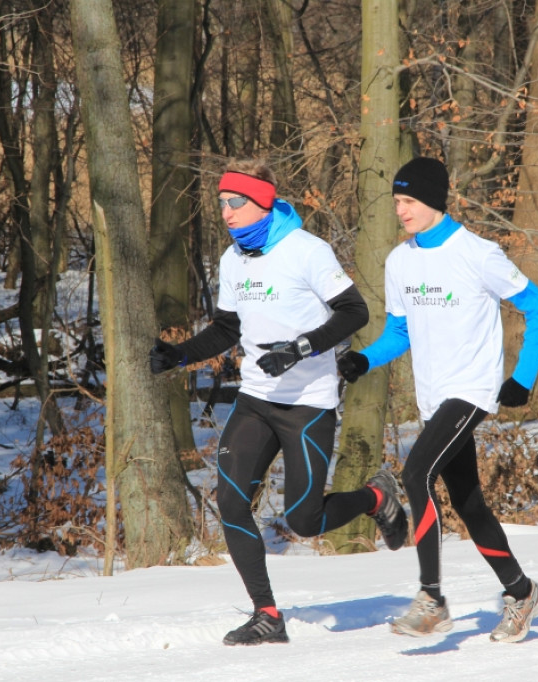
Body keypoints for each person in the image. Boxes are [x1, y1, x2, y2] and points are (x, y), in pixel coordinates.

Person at [149, 160, 408, 646]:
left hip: (308, 404)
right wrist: (180, 355)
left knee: (304, 521)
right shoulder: (232, 260)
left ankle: (377, 498)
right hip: (256, 400)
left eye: (235, 203)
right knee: (229, 501)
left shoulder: (306, 251)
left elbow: (355, 311)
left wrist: (300, 348)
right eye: (221, 203)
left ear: (262, 202)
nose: (225, 212)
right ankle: (266, 614)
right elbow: (229, 328)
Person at [336, 156, 538, 642]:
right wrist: (364, 360)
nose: (401, 210)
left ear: (434, 199)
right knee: (469, 502)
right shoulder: (400, 261)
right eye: (396, 201)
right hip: (433, 399)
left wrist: (522, 377)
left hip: (471, 389)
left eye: (409, 200)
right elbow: (398, 332)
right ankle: (522, 593)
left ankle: (432, 598)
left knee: (416, 474)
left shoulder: (478, 253)